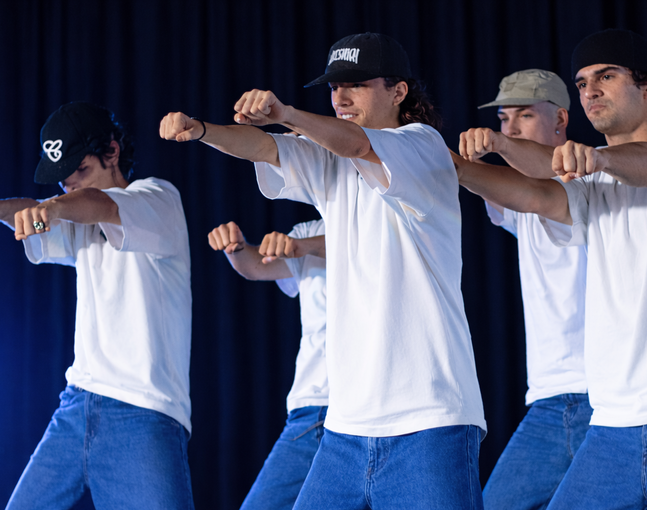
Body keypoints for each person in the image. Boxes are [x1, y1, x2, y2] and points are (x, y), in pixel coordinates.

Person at [161, 32, 485, 510]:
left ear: (399, 92)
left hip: (429, 420)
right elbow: (265, 148)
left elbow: (358, 146)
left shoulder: (422, 144)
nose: (341, 97)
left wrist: (288, 113)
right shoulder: (328, 160)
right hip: (345, 431)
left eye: (356, 84)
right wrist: (203, 130)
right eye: (334, 87)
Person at [455, 29, 647, 508]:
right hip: (612, 427)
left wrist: (598, 158)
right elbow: (532, 193)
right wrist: (458, 164)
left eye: (606, 76)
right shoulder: (593, 186)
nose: (590, 89)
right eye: (583, 80)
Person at [0, 102, 195, 510]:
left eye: (80, 173)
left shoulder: (158, 198)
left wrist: (51, 207)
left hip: (142, 415)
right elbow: (44, 215)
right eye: (63, 182)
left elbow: (101, 206)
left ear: (112, 152)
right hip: (75, 408)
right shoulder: (74, 219)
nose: (71, 187)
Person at [472, 70, 591, 509]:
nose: (510, 129)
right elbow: (498, 190)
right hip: (547, 400)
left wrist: (499, 148)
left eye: (524, 115)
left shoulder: (593, 177)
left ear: (561, 118)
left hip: (607, 395)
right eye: (504, 119)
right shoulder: (518, 200)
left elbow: (544, 184)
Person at [208, 219, 327, 510]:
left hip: (381, 409)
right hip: (315, 408)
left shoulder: (389, 211)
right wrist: (236, 250)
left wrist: (303, 247)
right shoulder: (308, 229)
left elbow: (362, 239)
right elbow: (256, 266)